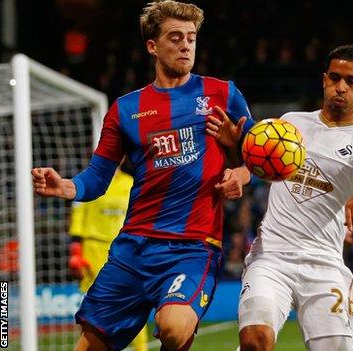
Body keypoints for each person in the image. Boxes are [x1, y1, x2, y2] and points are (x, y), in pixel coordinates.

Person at [31, 1, 254, 350]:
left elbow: (264, 156)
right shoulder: (126, 109)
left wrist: (240, 169)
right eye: (175, 37)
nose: (185, 45)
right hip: (133, 247)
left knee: (174, 328)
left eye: (191, 38)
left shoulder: (222, 93)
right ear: (152, 46)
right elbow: (97, 177)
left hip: (192, 247)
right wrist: (67, 187)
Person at [207, 44, 353, 351]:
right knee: (255, 339)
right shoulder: (292, 122)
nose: (341, 87)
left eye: (351, 81)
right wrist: (239, 169)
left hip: (324, 264)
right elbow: (267, 166)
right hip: (271, 257)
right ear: (324, 79)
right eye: (335, 78)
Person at [68, 160, 148, 351]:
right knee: (95, 305)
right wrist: (75, 250)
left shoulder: (130, 182)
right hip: (93, 247)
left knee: (135, 300)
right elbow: (78, 215)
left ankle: (142, 348)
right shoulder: (90, 181)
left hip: (125, 247)